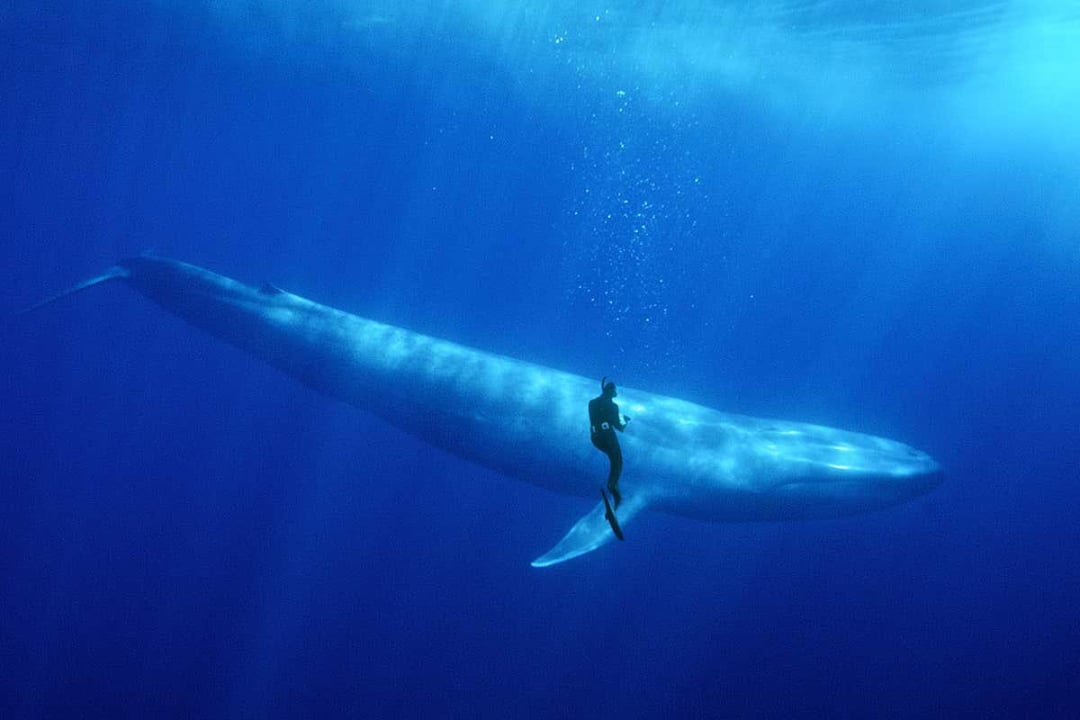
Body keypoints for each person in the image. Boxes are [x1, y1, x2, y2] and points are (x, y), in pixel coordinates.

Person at [589, 377, 630, 510]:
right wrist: (625, 420)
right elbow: (620, 427)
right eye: (615, 391)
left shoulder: (591, 403)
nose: (616, 393)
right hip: (607, 437)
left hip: (595, 438)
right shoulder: (613, 406)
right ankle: (612, 486)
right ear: (611, 391)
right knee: (617, 461)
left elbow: (599, 415)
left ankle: (614, 485)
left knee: (612, 458)